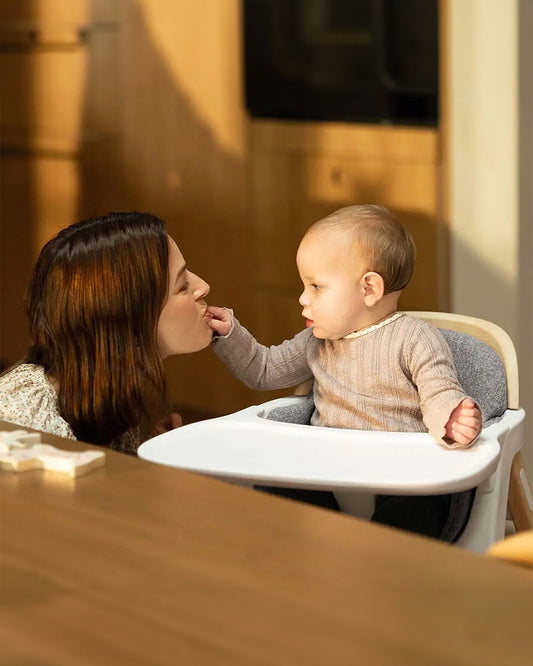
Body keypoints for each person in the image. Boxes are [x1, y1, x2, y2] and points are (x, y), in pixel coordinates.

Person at [206, 204, 482, 536]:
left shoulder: (413, 337)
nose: (302, 299)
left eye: (316, 287)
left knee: (417, 505)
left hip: (398, 473)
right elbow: (263, 370)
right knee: (280, 478)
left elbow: (439, 389)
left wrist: (451, 419)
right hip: (327, 468)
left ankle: (388, 565)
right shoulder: (315, 340)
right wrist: (231, 334)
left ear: (369, 289)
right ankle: (315, 544)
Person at [0, 212, 214, 454]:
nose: (204, 287)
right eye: (183, 286)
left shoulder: (113, 393)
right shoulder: (24, 414)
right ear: (126, 320)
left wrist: (148, 455)